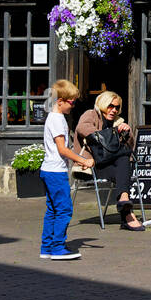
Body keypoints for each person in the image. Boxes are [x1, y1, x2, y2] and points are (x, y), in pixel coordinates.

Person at [40, 79, 93, 260]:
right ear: (60, 101)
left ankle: (47, 247)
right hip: (55, 172)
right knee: (64, 209)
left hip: (48, 170)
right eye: (71, 102)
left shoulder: (53, 118)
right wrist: (83, 160)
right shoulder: (57, 119)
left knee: (52, 210)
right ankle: (57, 248)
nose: (73, 105)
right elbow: (62, 149)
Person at [75, 91, 143, 231]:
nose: (114, 110)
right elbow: (82, 128)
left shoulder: (119, 121)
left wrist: (127, 133)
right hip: (92, 164)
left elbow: (129, 147)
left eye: (117, 107)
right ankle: (127, 214)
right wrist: (113, 133)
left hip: (113, 165)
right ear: (102, 104)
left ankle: (124, 201)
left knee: (124, 158)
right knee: (123, 169)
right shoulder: (91, 114)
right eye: (110, 106)